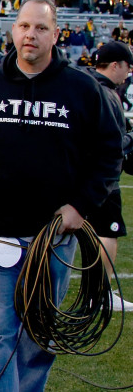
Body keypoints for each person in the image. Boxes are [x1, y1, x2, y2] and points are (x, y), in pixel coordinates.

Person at [0, 0, 121, 391]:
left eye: (41, 28)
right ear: (13, 31)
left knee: (39, 331)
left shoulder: (83, 89)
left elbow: (110, 153)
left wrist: (81, 205)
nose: (31, 34)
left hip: (55, 237)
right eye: (25, 26)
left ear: (55, 34)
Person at [90, 41, 133, 312]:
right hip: (103, 179)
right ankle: (101, 292)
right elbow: (113, 143)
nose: (127, 74)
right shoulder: (107, 94)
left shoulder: (85, 86)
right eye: (127, 67)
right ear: (115, 65)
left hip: (82, 178)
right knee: (107, 231)